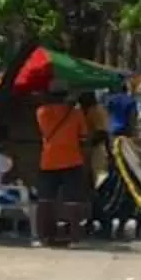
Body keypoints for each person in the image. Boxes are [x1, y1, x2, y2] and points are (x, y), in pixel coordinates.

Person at [33, 91, 94, 238]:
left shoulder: (41, 112)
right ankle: (74, 234)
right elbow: (83, 138)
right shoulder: (76, 113)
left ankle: (44, 234)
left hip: (48, 161)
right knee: (73, 200)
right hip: (72, 160)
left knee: (45, 199)